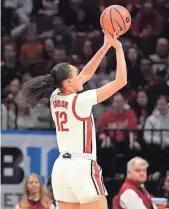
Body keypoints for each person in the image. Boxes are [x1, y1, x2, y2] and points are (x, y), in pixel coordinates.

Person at [21, 31, 127, 209]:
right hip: (82, 166)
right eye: (76, 75)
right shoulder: (80, 101)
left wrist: (105, 46)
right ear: (69, 83)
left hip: (62, 169)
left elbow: (86, 74)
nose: (81, 77)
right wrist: (119, 48)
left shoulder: (55, 95)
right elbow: (121, 80)